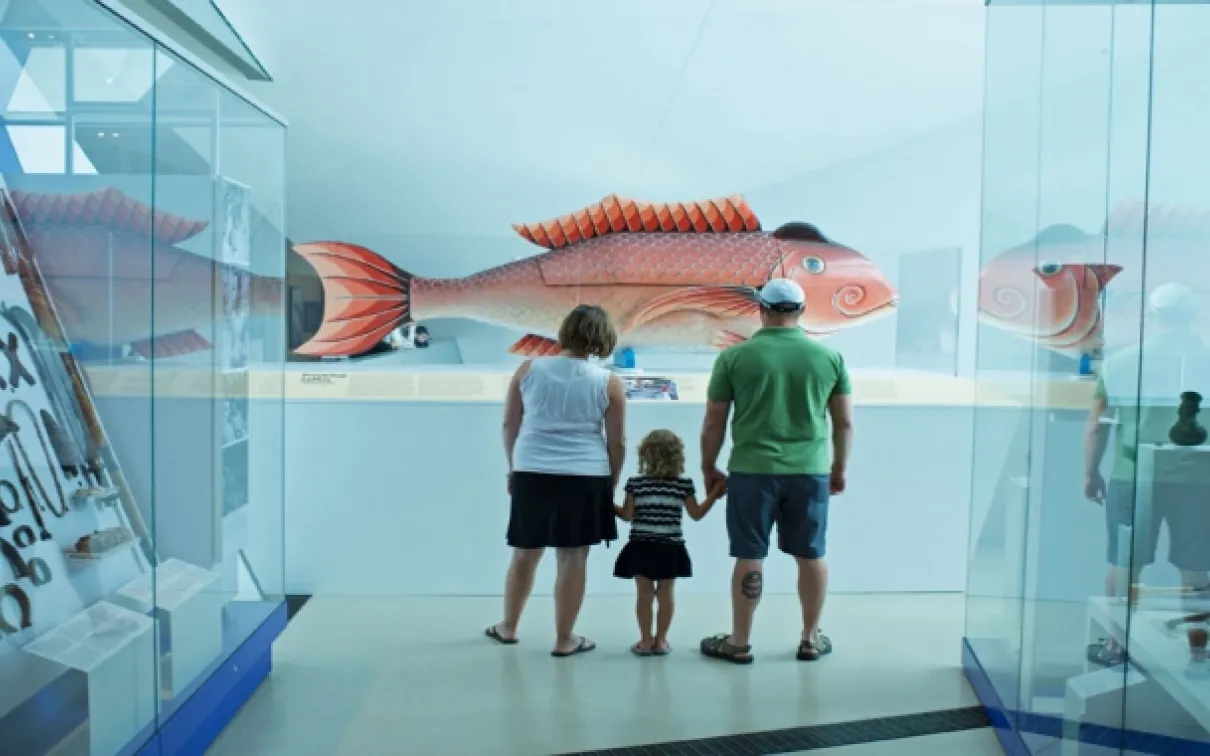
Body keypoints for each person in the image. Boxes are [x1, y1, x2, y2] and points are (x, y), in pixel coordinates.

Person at [698, 278, 854, 665]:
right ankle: (810, 638)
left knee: (750, 555)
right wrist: (838, 468)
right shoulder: (829, 358)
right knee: (811, 554)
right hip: (809, 471)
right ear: (801, 311)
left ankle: (740, 641)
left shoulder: (734, 358)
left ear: (761, 309)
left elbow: (714, 422)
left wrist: (708, 466)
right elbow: (844, 423)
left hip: (752, 470)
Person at [486, 305, 628, 657]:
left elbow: (509, 425)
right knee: (573, 557)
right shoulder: (608, 382)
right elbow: (617, 442)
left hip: (533, 470)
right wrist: (610, 483)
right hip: (586, 475)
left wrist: (514, 468)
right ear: (603, 337)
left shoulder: (529, 369)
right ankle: (565, 639)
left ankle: (508, 626)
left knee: (524, 554)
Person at [1084, 282, 1210, 666]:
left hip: (1133, 473)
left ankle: (1115, 646)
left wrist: (1090, 473)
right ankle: (1198, 650)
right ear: (1193, 316)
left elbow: (1097, 426)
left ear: (1152, 316)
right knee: (1196, 567)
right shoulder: (1206, 358)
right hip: (1197, 477)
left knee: (1126, 564)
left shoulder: (1121, 361)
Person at [613, 430, 726, 656]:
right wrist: (714, 494)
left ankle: (645, 641)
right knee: (666, 593)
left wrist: (605, 503)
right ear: (678, 457)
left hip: (641, 545)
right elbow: (696, 514)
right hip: (670, 547)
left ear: (645, 456)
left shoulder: (635, 484)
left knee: (644, 594)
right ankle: (661, 640)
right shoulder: (683, 485)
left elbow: (627, 515)